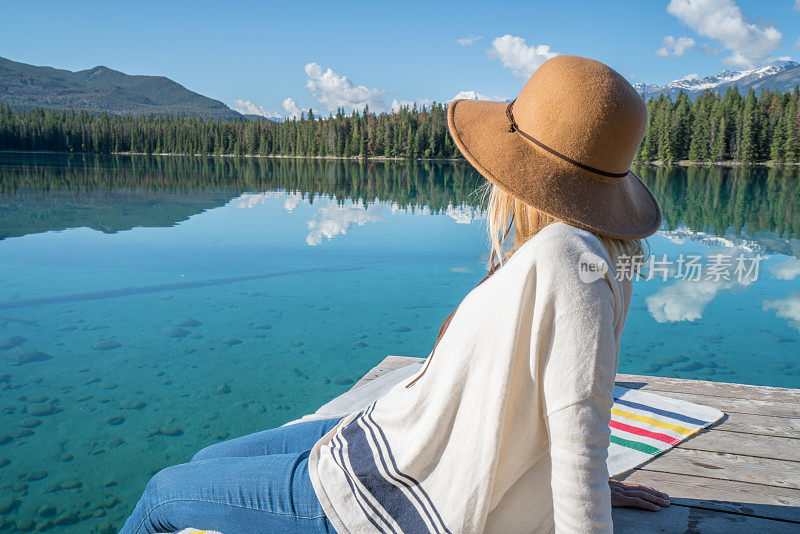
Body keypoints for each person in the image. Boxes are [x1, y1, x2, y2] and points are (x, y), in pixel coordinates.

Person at [120, 55, 670, 534]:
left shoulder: (565, 260)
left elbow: (580, 415)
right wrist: (578, 483)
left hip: (388, 500)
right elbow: (560, 397)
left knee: (165, 492)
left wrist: (583, 493)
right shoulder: (588, 253)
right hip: (395, 441)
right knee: (209, 458)